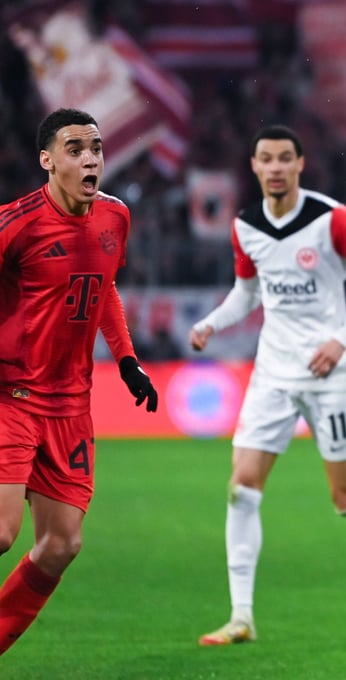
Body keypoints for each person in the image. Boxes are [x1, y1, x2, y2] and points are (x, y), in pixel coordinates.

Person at [189, 124, 346, 646]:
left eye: (285, 158)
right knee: (241, 488)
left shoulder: (331, 219)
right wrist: (212, 322)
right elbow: (247, 293)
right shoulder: (245, 226)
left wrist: (341, 341)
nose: (275, 167)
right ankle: (241, 616)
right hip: (273, 374)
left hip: (330, 377)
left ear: (300, 164)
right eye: (266, 158)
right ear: (254, 166)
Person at [0, 108, 158, 655]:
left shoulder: (116, 217)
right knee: (1, 532)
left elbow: (104, 286)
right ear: (47, 161)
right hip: (12, 397)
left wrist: (128, 359)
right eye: (75, 149)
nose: (90, 159)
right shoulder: (15, 224)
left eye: (95, 148)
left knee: (62, 544)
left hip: (71, 407)